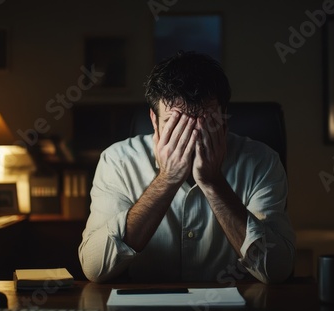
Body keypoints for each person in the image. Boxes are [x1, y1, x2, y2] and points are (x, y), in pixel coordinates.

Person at [78, 51, 295, 284]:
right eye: (176, 126)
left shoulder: (262, 161)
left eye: (204, 124)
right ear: (154, 120)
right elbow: (95, 268)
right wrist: (167, 179)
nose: (190, 139)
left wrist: (213, 183)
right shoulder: (118, 161)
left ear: (223, 119)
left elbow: (277, 269)